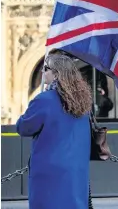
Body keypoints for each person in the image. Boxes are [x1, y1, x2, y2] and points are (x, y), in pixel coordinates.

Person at [16, 53, 93, 209]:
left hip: (49, 172)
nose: (43, 73)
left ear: (56, 73)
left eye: (46, 69)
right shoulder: (84, 102)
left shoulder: (44, 99)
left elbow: (23, 127)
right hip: (77, 170)